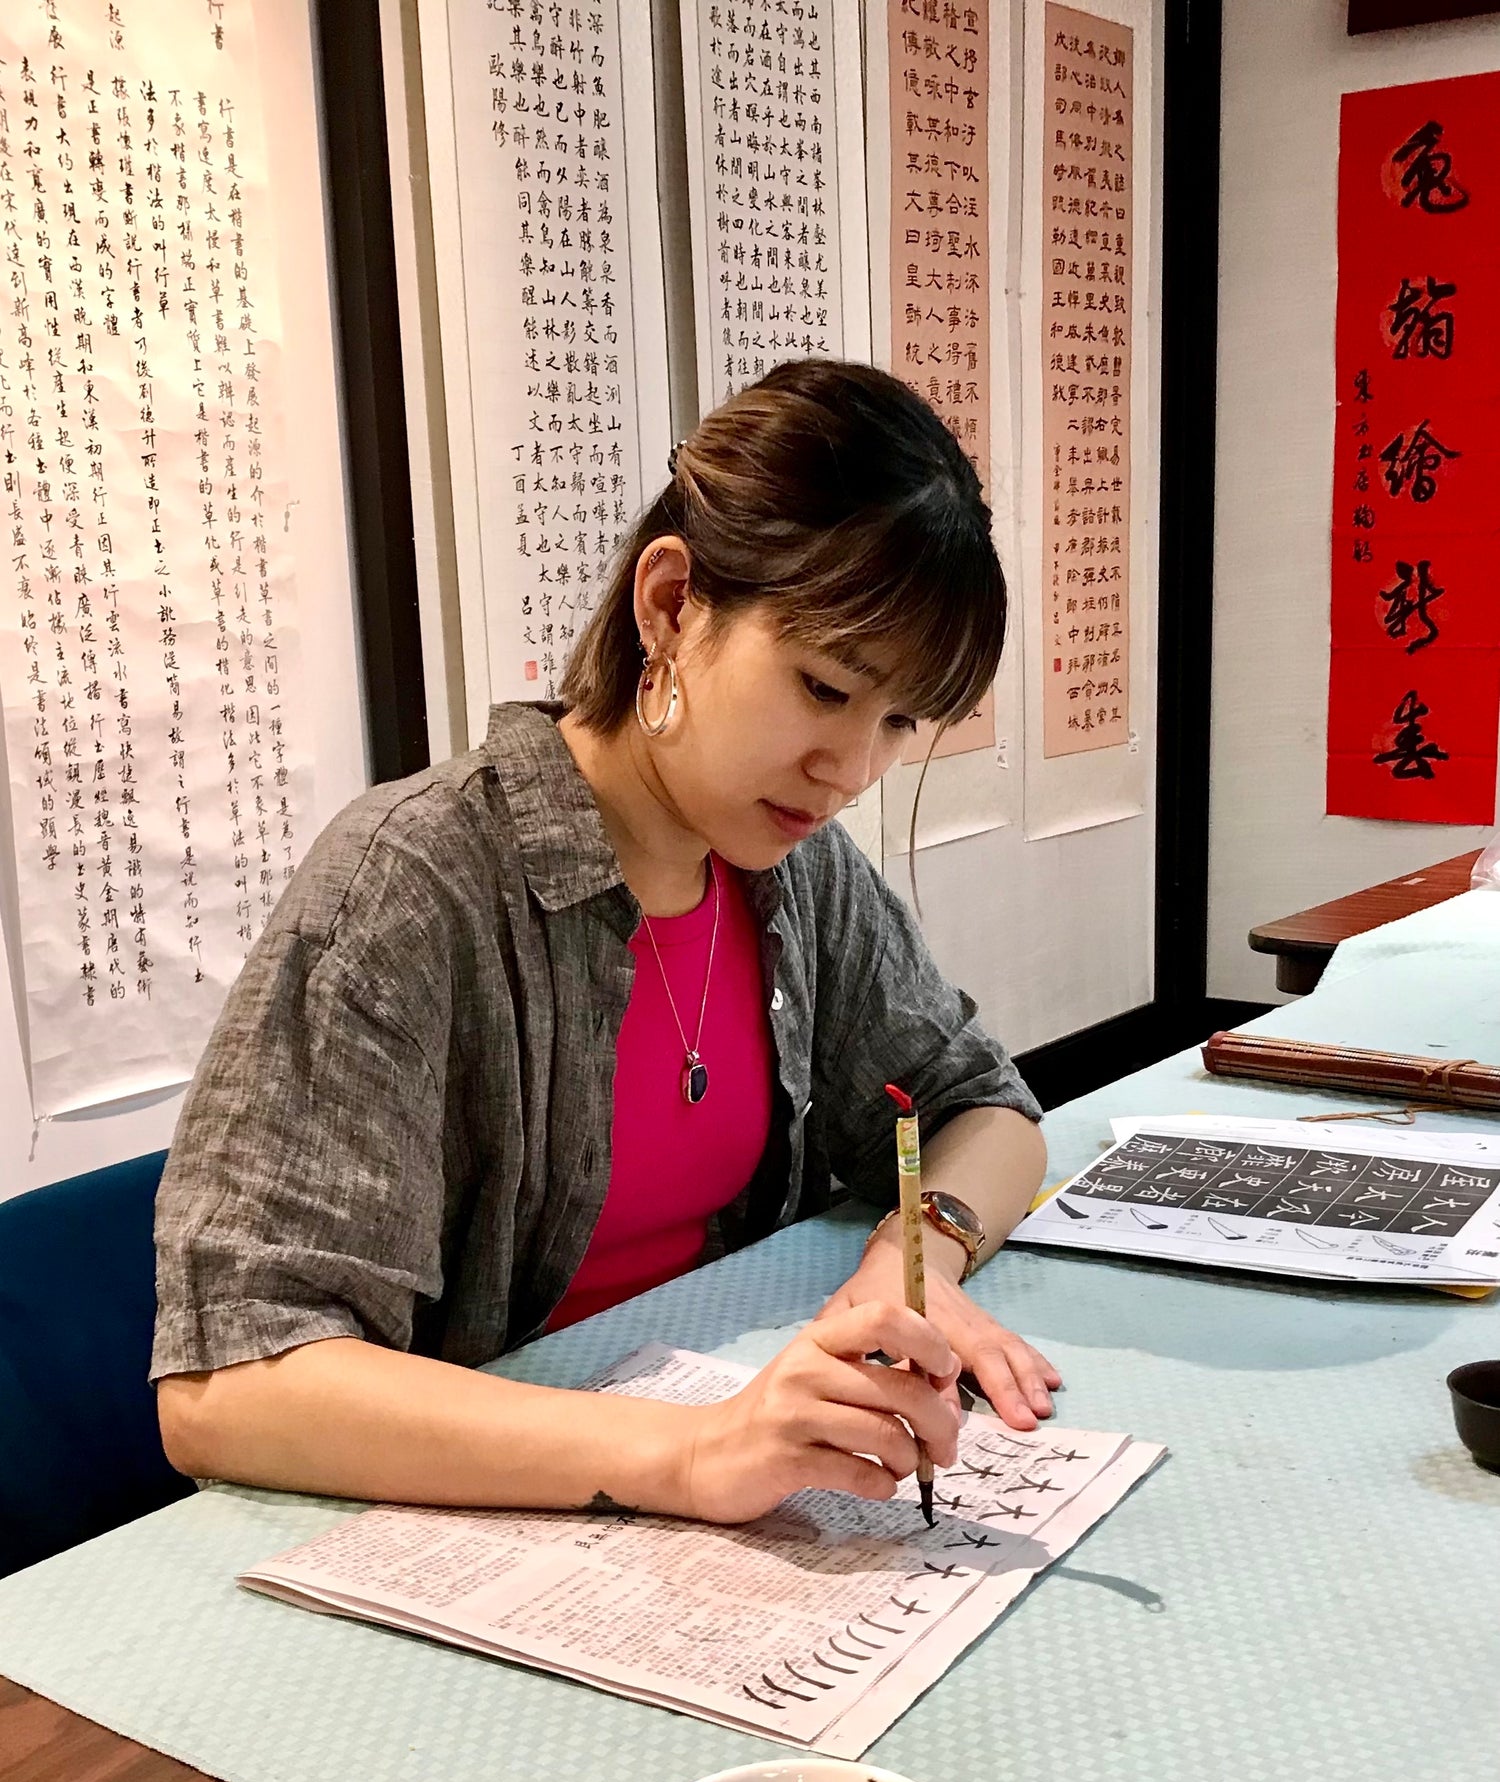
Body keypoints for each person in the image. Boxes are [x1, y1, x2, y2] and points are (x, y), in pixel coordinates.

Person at [153, 358, 1056, 1527]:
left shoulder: (789, 873)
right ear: (672, 604)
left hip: (707, 1473)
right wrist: (690, 1454)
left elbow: (986, 1106)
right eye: (823, 688)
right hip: (487, 1517)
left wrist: (905, 1268)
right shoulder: (418, 884)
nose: (852, 772)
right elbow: (230, 1388)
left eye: (896, 722)